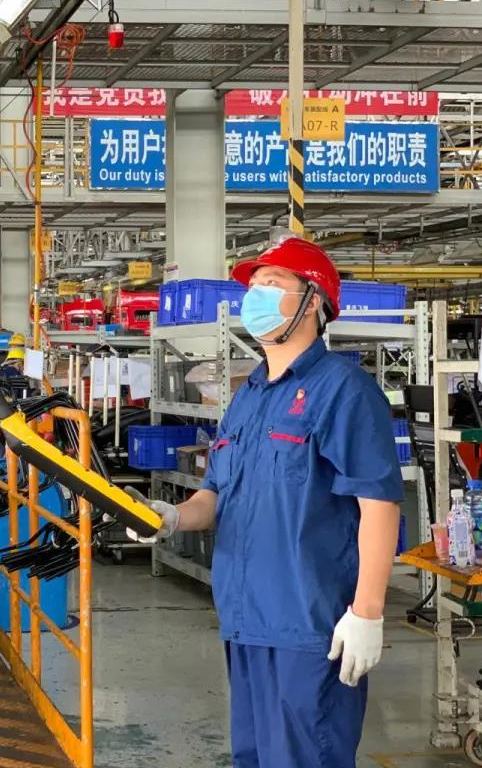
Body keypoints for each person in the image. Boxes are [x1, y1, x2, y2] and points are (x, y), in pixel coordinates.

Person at [147, 237, 402, 768]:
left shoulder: (345, 390)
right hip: (245, 619)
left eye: (271, 284)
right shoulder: (249, 395)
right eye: (253, 287)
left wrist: (367, 613)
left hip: (311, 627)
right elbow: (215, 496)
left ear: (312, 302)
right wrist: (170, 517)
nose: (255, 296)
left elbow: (379, 505)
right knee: (255, 757)